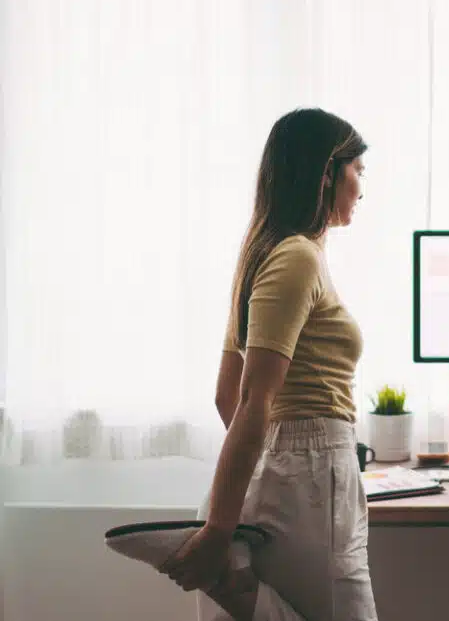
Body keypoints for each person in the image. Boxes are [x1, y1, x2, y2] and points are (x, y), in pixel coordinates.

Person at [104, 108, 377, 621]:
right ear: (326, 172)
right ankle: (224, 569)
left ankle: (233, 582)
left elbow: (225, 396)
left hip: (295, 472)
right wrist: (219, 529)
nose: (362, 187)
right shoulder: (297, 257)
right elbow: (254, 399)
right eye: (358, 169)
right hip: (312, 477)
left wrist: (267, 468)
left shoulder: (265, 252)